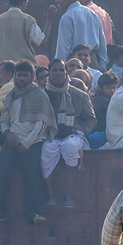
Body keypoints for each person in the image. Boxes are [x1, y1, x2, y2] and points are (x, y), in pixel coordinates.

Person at [0, 60, 57, 230]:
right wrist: (8, 134)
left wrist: (26, 143)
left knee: (32, 175)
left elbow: (42, 123)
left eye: (25, 75)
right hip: (12, 141)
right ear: (14, 76)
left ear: (32, 77)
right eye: (19, 75)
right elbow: (5, 119)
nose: (22, 78)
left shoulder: (39, 95)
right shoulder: (11, 95)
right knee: (2, 172)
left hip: (33, 143)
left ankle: (36, 213)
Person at [41, 58, 96, 197]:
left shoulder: (79, 95)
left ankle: (69, 193)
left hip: (73, 135)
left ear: (66, 73)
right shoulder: (42, 95)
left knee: (70, 146)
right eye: (55, 70)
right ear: (49, 73)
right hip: (51, 135)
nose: (58, 73)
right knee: (46, 151)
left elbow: (91, 119)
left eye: (61, 70)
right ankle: (50, 194)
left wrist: (78, 128)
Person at [0, 0, 45, 67]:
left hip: (6, 69)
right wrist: (49, 22)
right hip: (26, 67)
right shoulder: (29, 20)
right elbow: (41, 41)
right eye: (26, 2)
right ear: (23, 1)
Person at [52, 0, 107, 66]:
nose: (56, 1)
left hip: (74, 62)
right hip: (92, 60)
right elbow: (102, 42)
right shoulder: (92, 14)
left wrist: (59, 65)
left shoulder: (68, 17)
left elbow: (63, 46)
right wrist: (103, 64)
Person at [88, 72, 119, 148]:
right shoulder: (98, 100)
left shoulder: (116, 98)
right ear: (101, 88)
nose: (112, 91)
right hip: (99, 132)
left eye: (114, 87)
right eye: (108, 88)